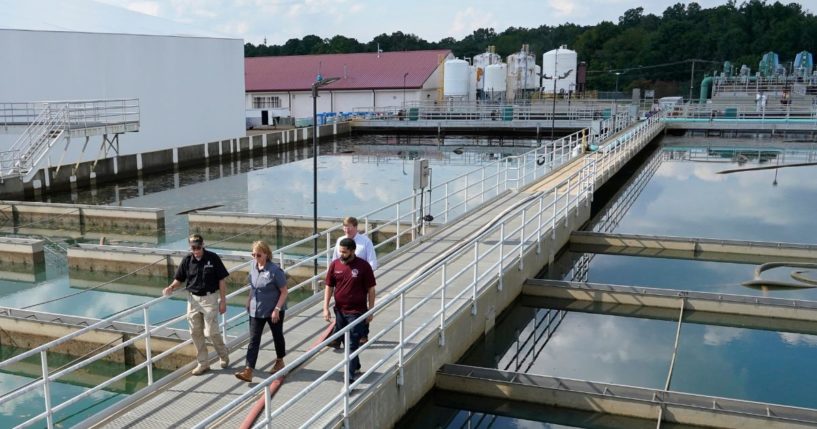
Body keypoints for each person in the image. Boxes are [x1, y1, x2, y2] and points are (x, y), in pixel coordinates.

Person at [163, 234, 230, 376]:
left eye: (199, 247)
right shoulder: (187, 260)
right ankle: (203, 363)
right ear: (190, 247)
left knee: (211, 332)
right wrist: (171, 287)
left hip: (210, 298)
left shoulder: (213, 257)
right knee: (195, 332)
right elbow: (179, 279)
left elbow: (222, 280)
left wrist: (223, 301)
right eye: (194, 247)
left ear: (203, 245)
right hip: (193, 300)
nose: (197, 250)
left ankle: (223, 354)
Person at [323, 238, 376, 382]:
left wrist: (371, 310)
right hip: (340, 311)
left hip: (357, 312)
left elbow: (371, 289)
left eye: (344, 252)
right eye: (340, 251)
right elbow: (329, 287)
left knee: (352, 342)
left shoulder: (363, 266)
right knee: (347, 343)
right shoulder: (335, 265)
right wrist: (325, 308)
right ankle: (356, 365)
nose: (341, 254)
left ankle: (349, 377)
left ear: (353, 251)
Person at [235, 240, 288, 382]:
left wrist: (277, 309)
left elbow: (284, 292)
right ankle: (248, 370)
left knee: (277, 336)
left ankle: (280, 360)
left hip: (273, 310)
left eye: (258, 255)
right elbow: (253, 286)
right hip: (256, 310)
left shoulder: (275, 271)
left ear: (266, 254)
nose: (255, 257)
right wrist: (248, 301)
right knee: (253, 340)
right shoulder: (253, 265)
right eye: (253, 254)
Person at [329, 216, 377, 347]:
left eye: (349, 227)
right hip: (343, 278)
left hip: (361, 278)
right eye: (344, 227)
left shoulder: (365, 241)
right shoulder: (340, 241)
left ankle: (363, 334)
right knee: (342, 307)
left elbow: (373, 262)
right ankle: (338, 337)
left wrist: (364, 273)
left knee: (360, 306)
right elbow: (334, 260)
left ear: (356, 227)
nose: (346, 229)